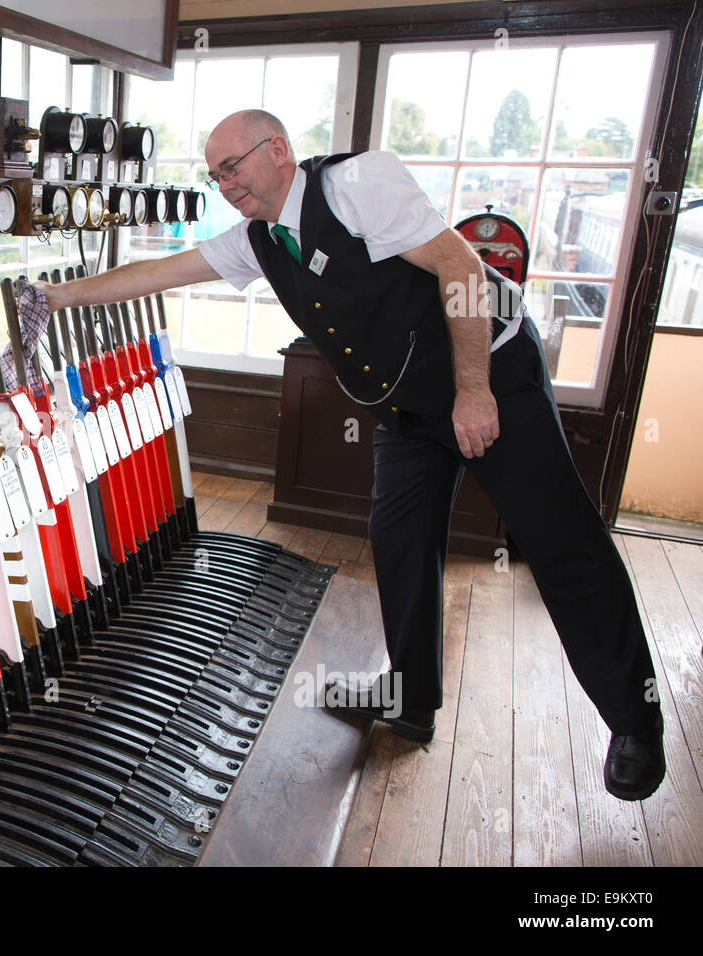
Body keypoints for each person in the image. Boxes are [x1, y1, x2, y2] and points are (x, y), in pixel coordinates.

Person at [36, 109, 665, 802]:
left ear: (276, 149)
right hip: (406, 407)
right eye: (215, 175)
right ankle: (411, 697)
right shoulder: (260, 239)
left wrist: (475, 391)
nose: (225, 185)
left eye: (233, 168)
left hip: (489, 371)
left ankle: (634, 720)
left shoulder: (359, 184)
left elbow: (461, 266)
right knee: (398, 540)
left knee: (560, 541)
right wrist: (56, 297)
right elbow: (165, 271)